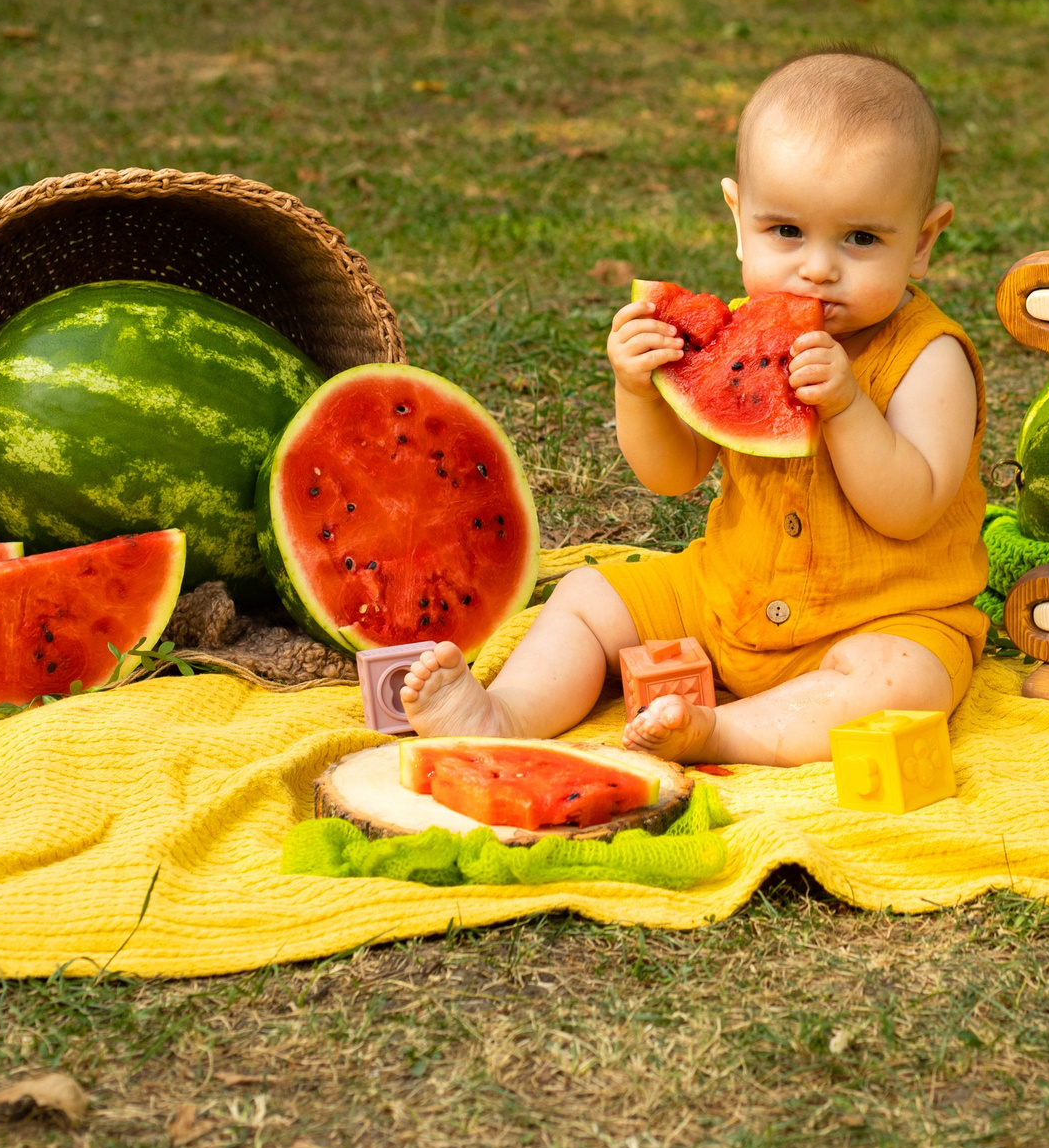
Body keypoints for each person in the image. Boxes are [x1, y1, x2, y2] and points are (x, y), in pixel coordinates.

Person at [400, 49, 988, 764]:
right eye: (786, 231)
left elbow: (912, 504)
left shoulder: (932, 357)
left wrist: (847, 405)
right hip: (721, 597)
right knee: (589, 595)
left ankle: (723, 732)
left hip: (883, 621)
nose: (818, 266)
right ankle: (502, 713)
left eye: (861, 238)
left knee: (908, 682)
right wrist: (637, 389)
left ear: (923, 241)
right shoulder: (734, 333)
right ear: (739, 219)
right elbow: (672, 474)